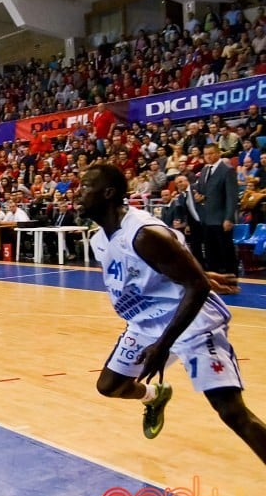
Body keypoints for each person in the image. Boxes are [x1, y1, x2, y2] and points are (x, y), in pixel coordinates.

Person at [77, 164, 265, 463]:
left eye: (86, 187)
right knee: (110, 386)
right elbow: (167, 260)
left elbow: (196, 286)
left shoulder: (141, 234)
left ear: (109, 193)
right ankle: (155, 396)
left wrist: (163, 345)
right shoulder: (99, 240)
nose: (78, 193)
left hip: (193, 320)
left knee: (232, 412)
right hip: (145, 321)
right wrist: (196, 273)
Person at [196, 143, 238, 275]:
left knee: (226, 251)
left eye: (211, 153)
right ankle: (214, 280)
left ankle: (231, 280)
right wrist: (199, 196)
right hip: (207, 218)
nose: (208, 156)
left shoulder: (227, 170)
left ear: (218, 153)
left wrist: (229, 218)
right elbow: (203, 191)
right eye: (206, 154)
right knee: (210, 253)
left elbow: (232, 197)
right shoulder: (204, 170)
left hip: (221, 219)